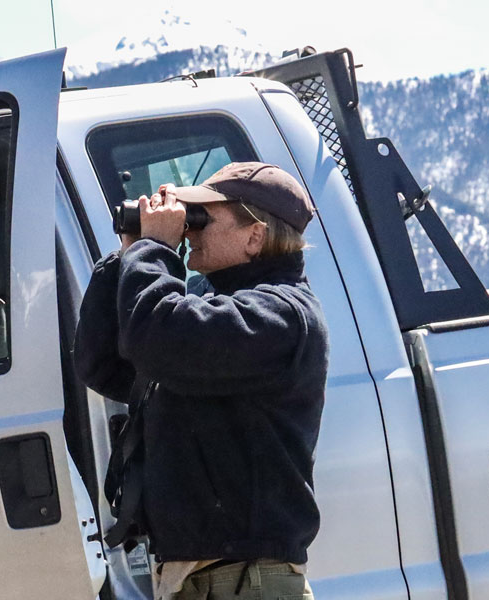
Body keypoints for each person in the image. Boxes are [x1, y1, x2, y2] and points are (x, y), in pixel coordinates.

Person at [74, 162, 330, 600]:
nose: (190, 231)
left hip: (245, 582)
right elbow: (102, 363)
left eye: (203, 217)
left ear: (255, 236)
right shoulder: (212, 311)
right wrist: (129, 255)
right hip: (203, 579)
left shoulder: (281, 317)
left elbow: (157, 336)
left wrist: (155, 249)